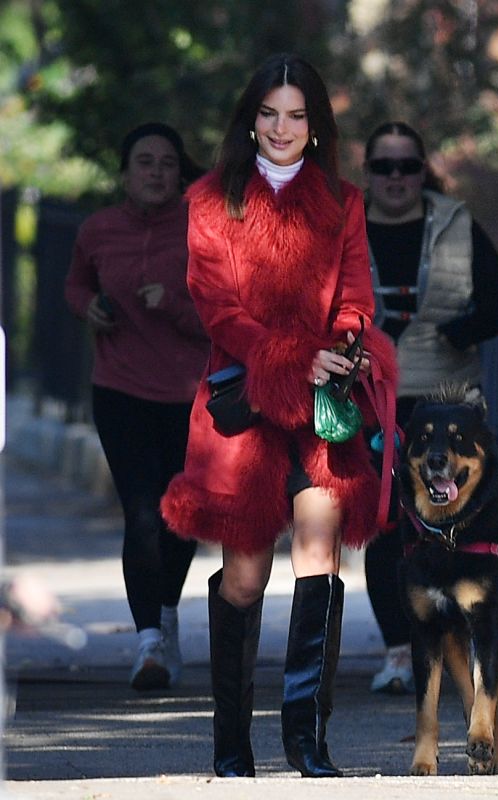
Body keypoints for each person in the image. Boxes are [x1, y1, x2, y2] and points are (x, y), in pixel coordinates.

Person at [161, 53, 397, 778]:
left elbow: (357, 295)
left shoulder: (344, 201)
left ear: (316, 126)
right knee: (244, 577)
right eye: (270, 113)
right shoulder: (208, 199)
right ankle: (232, 742)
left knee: (321, 554)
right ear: (250, 119)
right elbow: (218, 310)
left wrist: (349, 342)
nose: (283, 127)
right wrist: (294, 359)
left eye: (297, 114)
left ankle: (307, 740)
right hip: (246, 405)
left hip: (325, 407)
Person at [362, 120, 498, 694]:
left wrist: (461, 330)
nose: (397, 178)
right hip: (372, 396)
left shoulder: (455, 222)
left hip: (446, 400)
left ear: (422, 170)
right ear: (368, 174)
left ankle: (460, 643)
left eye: (408, 166)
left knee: (451, 522)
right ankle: (398, 652)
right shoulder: (344, 228)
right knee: (382, 525)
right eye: (384, 166)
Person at [65, 122, 209, 691]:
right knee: (143, 513)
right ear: (125, 173)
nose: (155, 172)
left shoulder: (203, 231)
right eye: (144, 162)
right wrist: (88, 308)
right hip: (120, 391)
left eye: (167, 163)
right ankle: (149, 640)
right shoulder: (97, 229)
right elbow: (75, 285)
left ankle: (165, 614)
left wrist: (174, 304)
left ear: (180, 173)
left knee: (182, 516)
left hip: (189, 396)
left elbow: (224, 318)